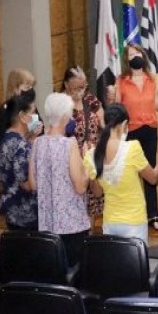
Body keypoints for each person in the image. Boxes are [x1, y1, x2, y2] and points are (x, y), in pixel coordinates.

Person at [84, 104, 158, 245]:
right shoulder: (132, 148)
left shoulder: (91, 155)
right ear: (125, 124)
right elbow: (153, 179)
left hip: (110, 222)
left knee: (114, 265)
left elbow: (97, 193)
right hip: (134, 222)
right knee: (136, 264)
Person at [28, 93, 90, 267]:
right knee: (74, 277)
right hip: (72, 225)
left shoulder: (37, 143)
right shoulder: (69, 144)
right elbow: (80, 187)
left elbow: (33, 185)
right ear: (64, 116)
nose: (71, 117)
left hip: (47, 224)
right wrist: (86, 164)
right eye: (70, 113)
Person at [115, 44, 158, 231]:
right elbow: (116, 107)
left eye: (137, 52)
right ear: (126, 59)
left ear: (143, 55)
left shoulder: (150, 78)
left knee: (150, 172)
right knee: (130, 172)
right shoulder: (121, 81)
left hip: (150, 129)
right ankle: (133, 214)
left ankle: (153, 214)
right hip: (130, 131)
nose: (135, 56)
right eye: (131, 54)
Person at [0, 91, 40, 231]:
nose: (36, 117)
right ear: (22, 117)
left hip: (10, 210)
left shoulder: (4, 139)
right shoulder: (20, 144)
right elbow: (27, 184)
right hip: (26, 213)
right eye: (33, 112)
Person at [62, 66, 105, 220]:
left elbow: (103, 121)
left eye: (84, 86)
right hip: (73, 160)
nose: (81, 90)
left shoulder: (90, 99)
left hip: (93, 156)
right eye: (76, 87)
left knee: (95, 204)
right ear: (66, 85)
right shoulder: (61, 104)